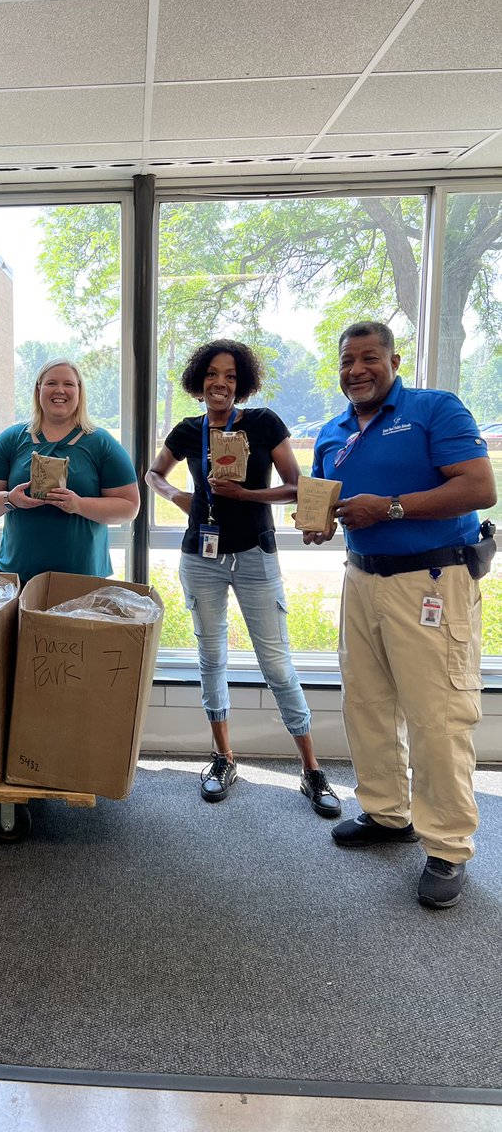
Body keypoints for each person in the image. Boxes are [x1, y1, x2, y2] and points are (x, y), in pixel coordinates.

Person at [308, 320, 496, 909]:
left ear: (394, 360)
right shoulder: (332, 430)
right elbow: (326, 498)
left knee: (436, 714)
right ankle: (388, 814)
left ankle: (447, 845)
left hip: (431, 581)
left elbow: (479, 487)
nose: (356, 370)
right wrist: (317, 521)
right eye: (346, 361)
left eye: (368, 358)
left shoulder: (434, 409)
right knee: (366, 702)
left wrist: (389, 508)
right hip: (361, 580)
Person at [146, 339, 341, 817]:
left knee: (276, 664)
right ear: (199, 380)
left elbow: (297, 485)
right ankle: (223, 758)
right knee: (211, 658)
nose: (221, 383)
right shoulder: (189, 430)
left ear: (242, 383)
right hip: (201, 556)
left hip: (255, 555)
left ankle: (312, 770)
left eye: (231, 376)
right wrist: (178, 497)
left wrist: (245, 494)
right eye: (213, 374)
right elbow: (152, 474)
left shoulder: (262, 423)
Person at [0, 358, 140, 582]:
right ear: (38, 389)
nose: (60, 390)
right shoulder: (12, 439)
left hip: (82, 577)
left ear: (79, 391)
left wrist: (78, 504)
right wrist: (10, 499)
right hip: (17, 575)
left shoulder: (100, 443)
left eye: (69, 384)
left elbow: (129, 507)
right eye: (51, 383)